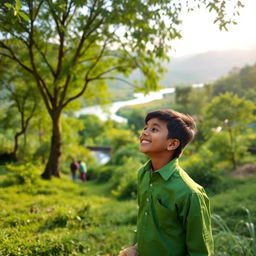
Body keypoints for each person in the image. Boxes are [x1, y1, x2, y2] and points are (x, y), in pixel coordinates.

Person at [118, 109, 214, 256]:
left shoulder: (190, 193)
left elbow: (200, 250)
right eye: (145, 127)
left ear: (172, 144)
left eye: (154, 129)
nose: (145, 132)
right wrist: (136, 247)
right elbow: (144, 219)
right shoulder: (143, 174)